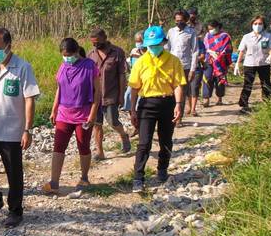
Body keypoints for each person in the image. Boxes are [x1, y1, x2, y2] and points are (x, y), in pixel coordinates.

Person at [0, 27, 40, 228]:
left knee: (13, 172)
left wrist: (27, 129)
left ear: (8, 46)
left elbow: (29, 99)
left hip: (12, 130)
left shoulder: (22, 67)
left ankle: (15, 211)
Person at [129, 26, 186, 192]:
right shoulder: (140, 62)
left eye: (156, 43)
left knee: (166, 140)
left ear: (163, 42)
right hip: (146, 105)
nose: (153, 47)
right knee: (144, 143)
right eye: (150, 44)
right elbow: (134, 88)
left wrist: (178, 104)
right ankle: (138, 178)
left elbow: (177, 85)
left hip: (167, 103)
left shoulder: (173, 61)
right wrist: (132, 109)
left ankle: (162, 170)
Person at [42, 38, 100, 193]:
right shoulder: (63, 66)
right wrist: (54, 109)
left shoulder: (90, 66)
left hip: (84, 114)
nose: (67, 58)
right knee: (58, 146)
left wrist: (93, 113)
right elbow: (59, 89)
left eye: (69, 55)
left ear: (76, 52)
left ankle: (84, 177)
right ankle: (54, 182)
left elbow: (97, 93)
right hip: (64, 113)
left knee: (83, 145)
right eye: (64, 55)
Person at [87, 28, 131, 160]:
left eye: (98, 42)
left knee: (113, 121)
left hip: (111, 94)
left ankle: (123, 135)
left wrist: (121, 95)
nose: (96, 45)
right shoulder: (90, 54)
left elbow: (122, 75)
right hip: (95, 97)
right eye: (93, 43)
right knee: (97, 124)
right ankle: (100, 152)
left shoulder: (117, 52)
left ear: (105, 38)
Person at [235, 15, 271, 114]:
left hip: (263, 63)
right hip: (249, 63)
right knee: (248, 84)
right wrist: (237, 64)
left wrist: (270, 56)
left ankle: (268, 103)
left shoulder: (268, 36)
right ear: (252, 25)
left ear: (263, 25)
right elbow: (241, 51)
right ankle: (244, 104)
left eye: (260, 24)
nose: (258, 25)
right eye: (255, 24)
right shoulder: (246, 37)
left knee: (266, 83)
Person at [165, 10, 198, 126]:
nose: (179, 23)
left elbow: (195, 51)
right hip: (170, 65)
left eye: (181, 21)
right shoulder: (171, 32)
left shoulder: (191, 32)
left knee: (182, 93)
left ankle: (179, 118)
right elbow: (167, 48)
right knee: (170, 91)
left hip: (185, 66)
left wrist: (193, 69)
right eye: (177, 21)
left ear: (186, 20)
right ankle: (170, 115)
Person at [201, 20, 233, 106]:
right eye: (209, 29)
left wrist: (220, 55)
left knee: (219, 79)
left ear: (217, 27)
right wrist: (209, 52)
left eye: (212, 28)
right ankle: (206, 98)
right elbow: (204, 46)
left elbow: (228, 48)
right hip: (209, 60)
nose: (211, 30)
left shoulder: (225, 36)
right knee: (207, 77)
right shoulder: (207, 36)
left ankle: (219, 98)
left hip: (221, 61)